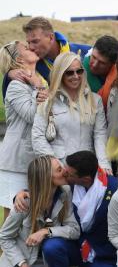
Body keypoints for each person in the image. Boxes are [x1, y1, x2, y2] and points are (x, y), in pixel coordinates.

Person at [0, 156, 79, 267]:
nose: (65, 171)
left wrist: (46, 231)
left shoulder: (65, 193)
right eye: (58, 170)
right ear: (46, 178)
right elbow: (4, 237)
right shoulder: (24, 203)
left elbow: (74, 230)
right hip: (22, 262)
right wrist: (21, 263)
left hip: (45, 264)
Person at [31, 52, 111, 173]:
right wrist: (55, 167)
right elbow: (38, 137)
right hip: (61, 170)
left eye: (79, 71)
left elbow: (100, 135)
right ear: (60, 74)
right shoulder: (47, 101)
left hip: (88, 170)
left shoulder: (95, 100)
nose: (76, 76)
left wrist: (104, 165)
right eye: (69, 72)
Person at [66, 151, 118, 267]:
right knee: (53, 247)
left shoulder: (115, 188)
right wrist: (21, 195)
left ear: (86, 180)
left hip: (102, 253)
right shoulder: (68, 182)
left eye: (69, 173)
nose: (64, 173)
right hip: (76, 245)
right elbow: (41, 186)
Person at [0, 41, 48, 218]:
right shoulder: (15, 86)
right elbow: (31, 116)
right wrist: (40, 88)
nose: (32, 48)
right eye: (27, 48)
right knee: (13, 218)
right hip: (17, 162)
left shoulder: (40, 80)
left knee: (35, 217)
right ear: (19, 59)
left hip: (36, 160)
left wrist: (39, 85)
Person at [2, 17, 90, 98]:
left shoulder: (86, 53)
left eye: (35, 41)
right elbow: (8, 97)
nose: (30, 47)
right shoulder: (35, 62)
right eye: (28, 43)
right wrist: (9, 74)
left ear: (51, 37)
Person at [83, 35, 118, 111]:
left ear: (112, 64)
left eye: (102, 63)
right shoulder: (78, 70)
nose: (94, 64)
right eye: (93, 57)